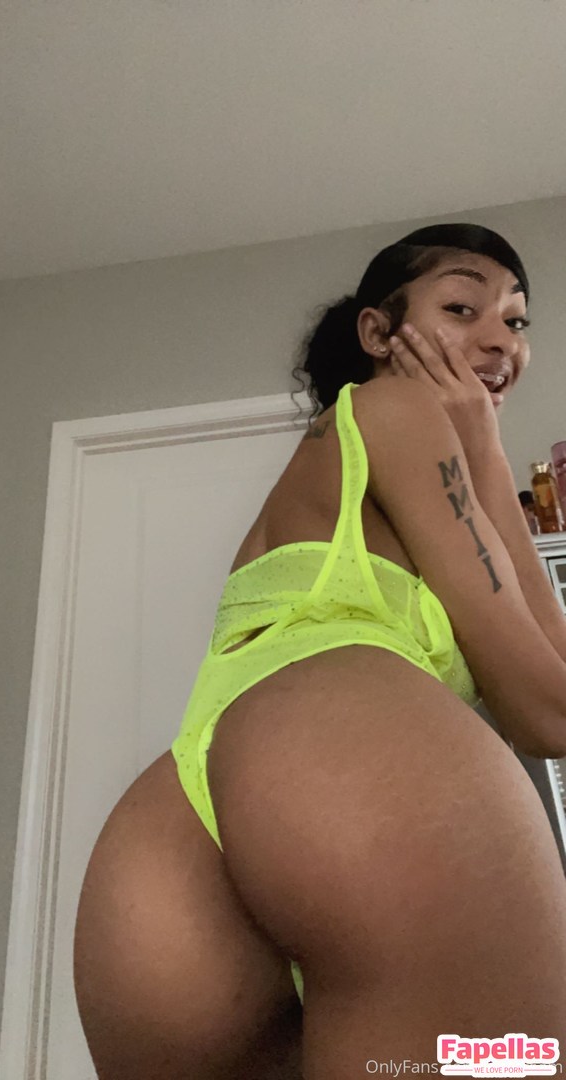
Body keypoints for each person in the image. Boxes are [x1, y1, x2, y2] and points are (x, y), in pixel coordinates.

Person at [74, 223, 566, 1079]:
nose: (501, 340)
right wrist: (484, 447)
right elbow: (547, 708)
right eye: (463, 308)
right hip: (355, 772)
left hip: (176, 813)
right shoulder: (400, 409)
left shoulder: (334, 455)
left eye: (517, 321)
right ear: (378, 333)